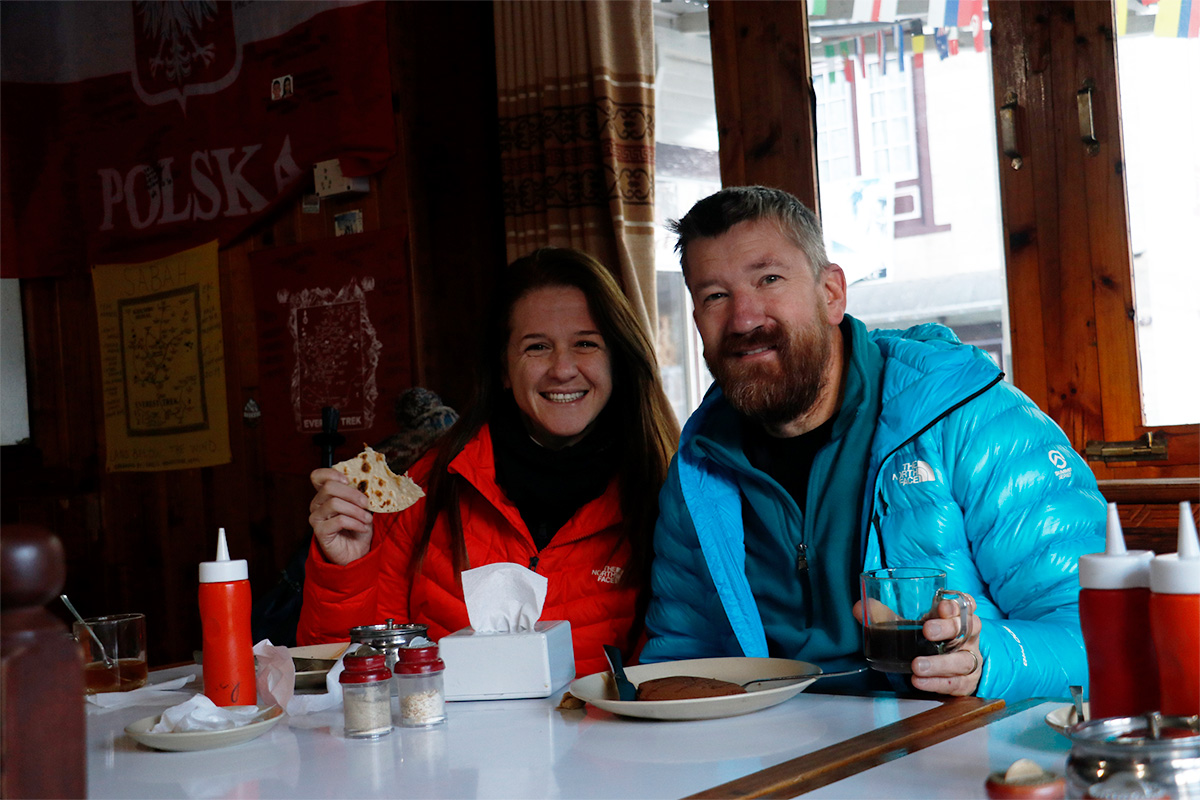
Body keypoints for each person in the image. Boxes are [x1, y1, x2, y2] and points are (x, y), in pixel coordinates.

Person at [641, 186, 1105, 701]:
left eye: (769, 279)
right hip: (774, 765)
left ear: (832, 293)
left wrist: (985, 659)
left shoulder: (968, 417)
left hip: (949, 754)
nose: (745, 318)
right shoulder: (699, 469)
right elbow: (680, 661)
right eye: (715, 296)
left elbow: (1102, 632)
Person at [297, 247, 680, 676]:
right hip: (450, 743)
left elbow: (666, 682)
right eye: (537, 347)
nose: (563, 368)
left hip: (602, 741)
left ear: (617, 360)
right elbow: (345, 682)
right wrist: (345, 570)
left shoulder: (663, 495)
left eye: (586, 343)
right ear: (503, 368)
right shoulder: (429, 488)